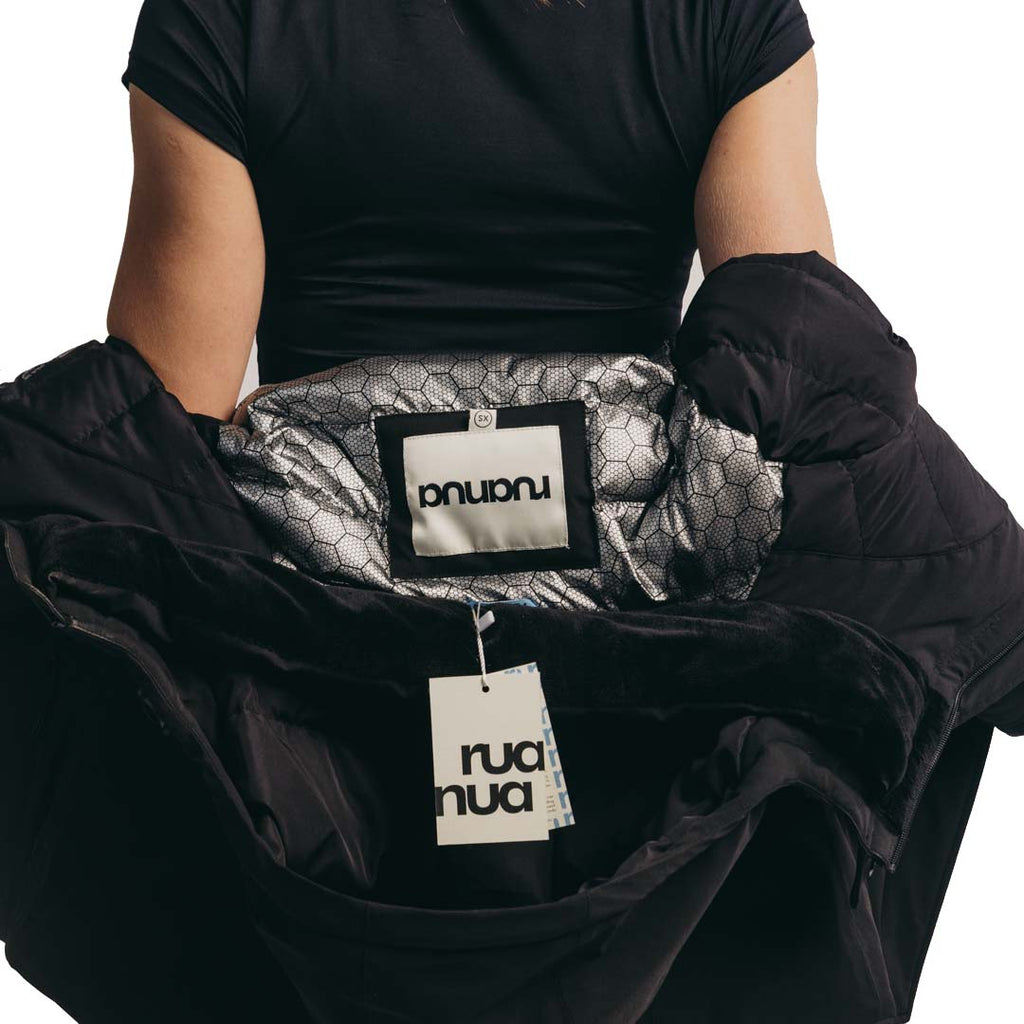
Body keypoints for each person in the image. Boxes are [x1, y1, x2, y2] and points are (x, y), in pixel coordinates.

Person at [108, 0, 835, 425]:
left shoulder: (221, 14)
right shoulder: (726, 14)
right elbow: (792, 404)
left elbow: (167, 444)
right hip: (639, 580)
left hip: (321, 580)